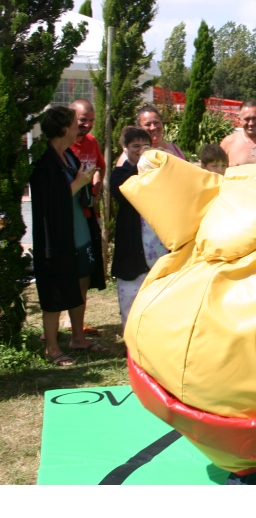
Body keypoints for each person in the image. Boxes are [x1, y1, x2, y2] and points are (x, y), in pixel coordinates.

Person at [29, 106, 107, 366]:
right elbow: (46, 203)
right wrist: (78, 184)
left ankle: (77, 337)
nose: (80, 128)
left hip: (79, 231)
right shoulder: (44, 161)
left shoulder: (68, 156)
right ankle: (51, 348)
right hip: (57, 237)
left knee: (81, 282)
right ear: (63, 129)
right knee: (54, 289)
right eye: (75, 123)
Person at [110, 127, 168, 328]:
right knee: (130, 304)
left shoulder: (161, 174)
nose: (141, 150)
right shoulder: (119, 175)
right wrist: (142, 168)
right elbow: (122, 192)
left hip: (158, 252)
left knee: (159, 303)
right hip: (131, 254)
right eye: (135, 146)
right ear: (124, 148)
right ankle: (132, 349)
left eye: (146, 146)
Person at [64, 99, 104, 334]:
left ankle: (74, 323)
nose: (87, 125)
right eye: (82, 120)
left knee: (84, 272)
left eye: (91, 121)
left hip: (87, 213)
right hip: (67, 217)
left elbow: (100, 167)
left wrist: (95, 192)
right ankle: (59, 320)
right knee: (64, 270)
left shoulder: (91, 142)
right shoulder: (64, 147)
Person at [116, 105, 185, 166]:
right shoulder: (132, 155)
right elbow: (121, 179)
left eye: (156, 122)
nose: (153, 127)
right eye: (147, 124)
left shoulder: (175, 148)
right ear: (139, 127)